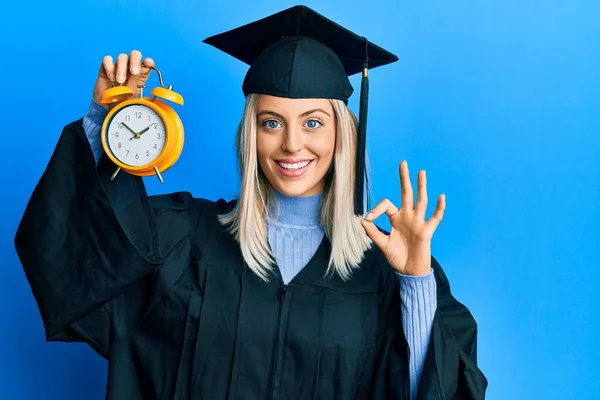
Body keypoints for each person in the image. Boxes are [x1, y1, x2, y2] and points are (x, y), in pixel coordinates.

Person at [14, 5, 487, 399]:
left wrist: (414, 284)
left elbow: (434, 389)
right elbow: (74, 267)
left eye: (314, 122)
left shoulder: (381, 268)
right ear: (250, 133)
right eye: (271, 122)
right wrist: (106, 122)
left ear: (344, 134)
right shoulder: (187, 237)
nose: (292, 145)